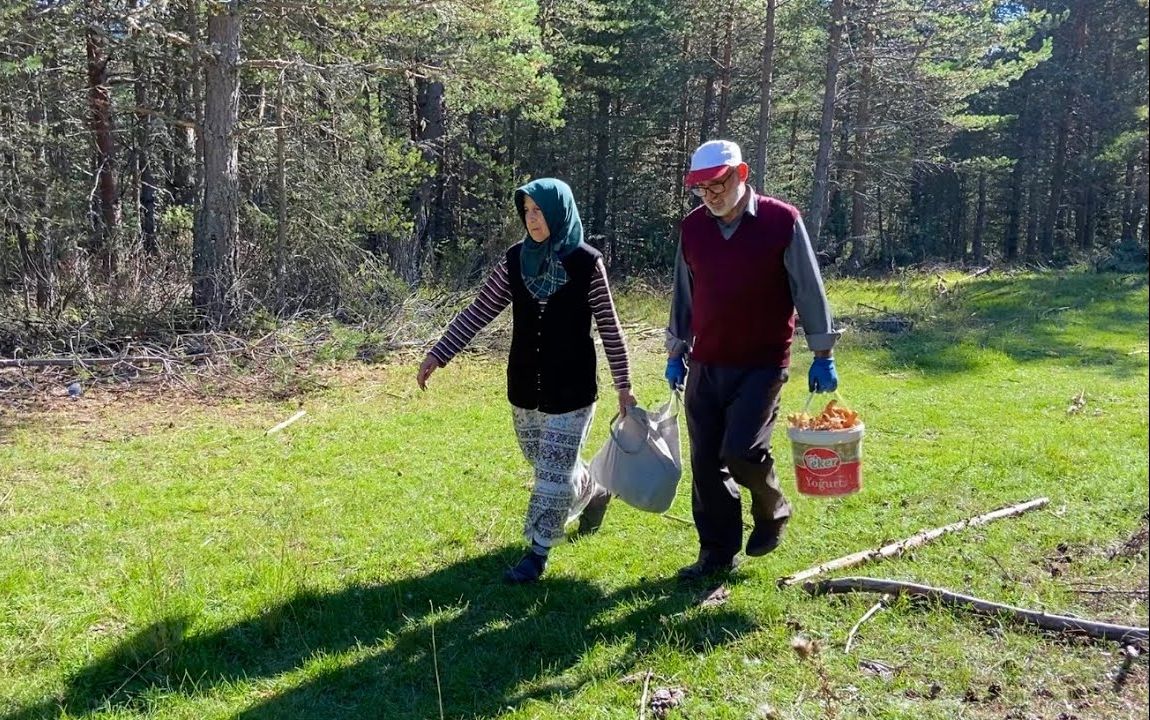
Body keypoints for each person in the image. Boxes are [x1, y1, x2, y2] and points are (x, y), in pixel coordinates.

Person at [417, 178, 636, 584]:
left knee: (551, 476)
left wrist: (624, 383)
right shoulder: (515, 259)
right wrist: (438, 353)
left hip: (571, 389)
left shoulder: (587, 263)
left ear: (558, 212)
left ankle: (536, 553)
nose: (533, 219)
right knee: (548, 463)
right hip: (524, 387)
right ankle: (595, 490)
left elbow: (610, 326)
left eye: (540, 211)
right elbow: (479, 310)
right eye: (527, 211)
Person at [665, 139, 840, 581]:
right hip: (707, 361)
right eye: (700, 188)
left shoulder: (782, 221)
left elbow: (808, 287)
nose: (710, 195)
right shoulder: (693, 229)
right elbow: (684, 294)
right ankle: (716, 553)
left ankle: (773, 508)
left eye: (717, 184)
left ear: (740, 174)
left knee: (742, 451)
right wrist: (676, 349)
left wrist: (822, 352)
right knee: (706, 464)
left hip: (762, 364)